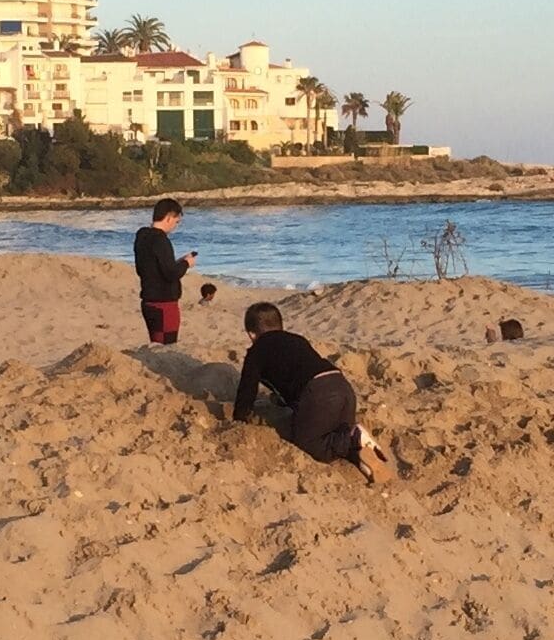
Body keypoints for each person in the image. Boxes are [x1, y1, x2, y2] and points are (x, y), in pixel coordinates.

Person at [233, 301, 394, 486]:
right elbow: (296, 371)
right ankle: (362, 458)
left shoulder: (257, 351)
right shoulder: (297, 339)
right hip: (341, 385)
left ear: (251, 334)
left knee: (309, 443)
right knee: (333, 435)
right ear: (281, 326)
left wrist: (239, 418)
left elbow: (247, 390)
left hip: (318, 392)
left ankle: (353, 436)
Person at [133, 200, 194, 346]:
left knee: (156, 342)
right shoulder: (161, 240)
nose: (175, 226)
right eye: (176, 221)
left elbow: (146, 267)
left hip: (148, 299)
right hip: (163, 303)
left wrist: (177, 263)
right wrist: (186, 263)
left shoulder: (142, 236)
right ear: (168, 217)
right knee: (166, 346)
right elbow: (171, 273)